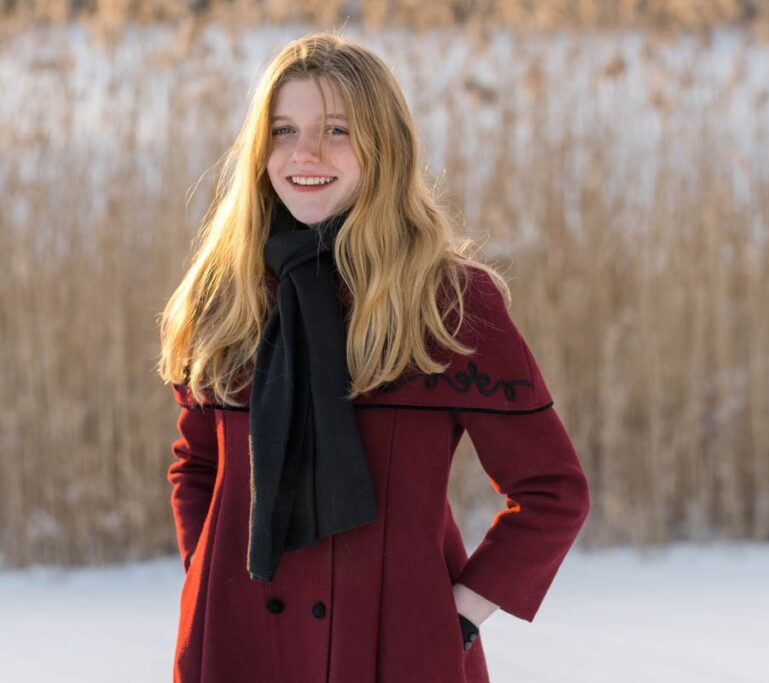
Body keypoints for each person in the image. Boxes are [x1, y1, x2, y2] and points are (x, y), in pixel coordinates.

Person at [155, 30, 590, 683]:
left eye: (336, 130)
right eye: (283, 130)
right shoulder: (228, 292)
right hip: (240, 648)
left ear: (383, 146)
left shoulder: (447, 300)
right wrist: (212, 582)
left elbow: (553, 489)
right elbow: (199, 464)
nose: (305, 152)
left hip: (395, 651)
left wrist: (456, 615)